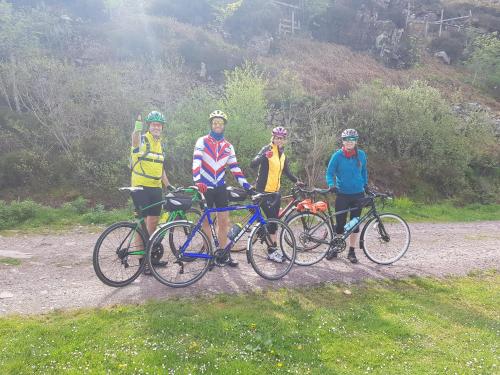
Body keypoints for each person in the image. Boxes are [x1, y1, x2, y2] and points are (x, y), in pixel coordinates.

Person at [192, 110, 252, 267]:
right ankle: (207, 254)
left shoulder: (228, 146)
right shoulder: (202, 141)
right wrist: (197, 180)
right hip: (204, 187)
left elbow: (235, 168)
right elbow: (196, 161)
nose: (217, 125)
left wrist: (247, 185)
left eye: (220, 123)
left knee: (224, 221)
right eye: (215, 123)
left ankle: (223, 254)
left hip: (220, 187)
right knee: (206, 221)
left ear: (224, 125)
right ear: (211, 125)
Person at [130, 111, 173, 271]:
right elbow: (134, 140)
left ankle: (151, 258)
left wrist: (168, 185)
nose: (157, 127)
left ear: (162, 127)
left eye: (159, 125)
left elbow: (160, 169)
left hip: (155, 188)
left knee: (153, 222)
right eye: (154, 124)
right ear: (149, 126)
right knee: (141, 225)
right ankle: (142, 263)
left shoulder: (160, 144)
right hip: (140, 187)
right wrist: (137, 127)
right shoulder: (141, 139)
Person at [250, 126, 300, 263]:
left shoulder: (282, 155)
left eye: (281, 138)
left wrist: (298, 181)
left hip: (275, 193)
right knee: (272, 220)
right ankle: (272, 251)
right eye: (277, 138)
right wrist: (263, 156)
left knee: (274, 221)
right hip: (263, 191)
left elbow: (287, 172)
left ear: (284, 140)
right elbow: (252, 164)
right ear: (273, 138)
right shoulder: (267, 149)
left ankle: (271, 245)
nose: (279, 140)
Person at [325, 128, 368, 263]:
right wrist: (332, 185)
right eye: (346, 140)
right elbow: (329, 173)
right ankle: (335, 248)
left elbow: (364, 172)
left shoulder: (361, 155)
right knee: (340, 224)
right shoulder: (337, 156)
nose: (349, 142)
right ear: (343, 141)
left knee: (355, 223)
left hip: (358, 195)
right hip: (342, 194)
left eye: (352, 139)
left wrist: (366, 185)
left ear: (356, 141)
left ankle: (352, 251)